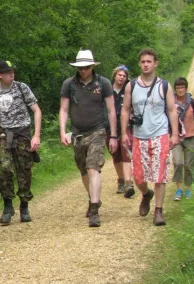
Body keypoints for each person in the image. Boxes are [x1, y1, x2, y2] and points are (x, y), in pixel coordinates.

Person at [59, 50, 118, 227]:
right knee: (83, 170)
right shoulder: (69, 84)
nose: (84, 70)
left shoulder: (103, 83)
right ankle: (93, 198)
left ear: (92, 66)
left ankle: (94, 210)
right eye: (81, 67)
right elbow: (63, 109)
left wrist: (113, 135)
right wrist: (62, 131)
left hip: (98, 131)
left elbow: (111, 111)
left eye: (87, 67)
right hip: (77, 133)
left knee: (93, 168)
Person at [121, 48, 179, 226]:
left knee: (159, 175)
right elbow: (125, 109)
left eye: (149, 61)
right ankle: (146, 194)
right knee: (138, 177)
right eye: (143, 61)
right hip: (139, 136)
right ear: (139, 64)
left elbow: (171, 110)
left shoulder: (165, 86)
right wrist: (124, 132)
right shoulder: (131, 85)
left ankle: (159, 211)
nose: (146, 64)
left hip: (160, 134)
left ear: (155, 63)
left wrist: (174, 134)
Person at [0, 60, 42, 225]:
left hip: (23, 134)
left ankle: (24, 206)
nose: (11, 74)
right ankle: (7, 205)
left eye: (12, 71)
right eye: (7, 72)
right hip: (4, 136)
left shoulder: (21, 87)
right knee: (5, 169)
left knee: (24, 171)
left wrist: (36, 136)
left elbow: (37, 111)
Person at [172, 77, 194, 201]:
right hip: (176, 138)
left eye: (182, 87)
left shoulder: (192, 102)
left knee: (189, 165)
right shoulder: (171, 102)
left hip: (190, 137)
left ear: (186, 88)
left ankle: (188, 189)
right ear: (175, 89)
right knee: (178, 162)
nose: (180, 89)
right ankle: (179, 189)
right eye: (178, 87)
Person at [109, 65, 136, 198]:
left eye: (124, 76)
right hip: (109, 127)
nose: (121, 78)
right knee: (116, 155)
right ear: (115, 75)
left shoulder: (129, 90)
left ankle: (128, 183)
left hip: (126, 126)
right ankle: (120, 180)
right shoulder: (107, 89)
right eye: (119, 75)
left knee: (126, 153)